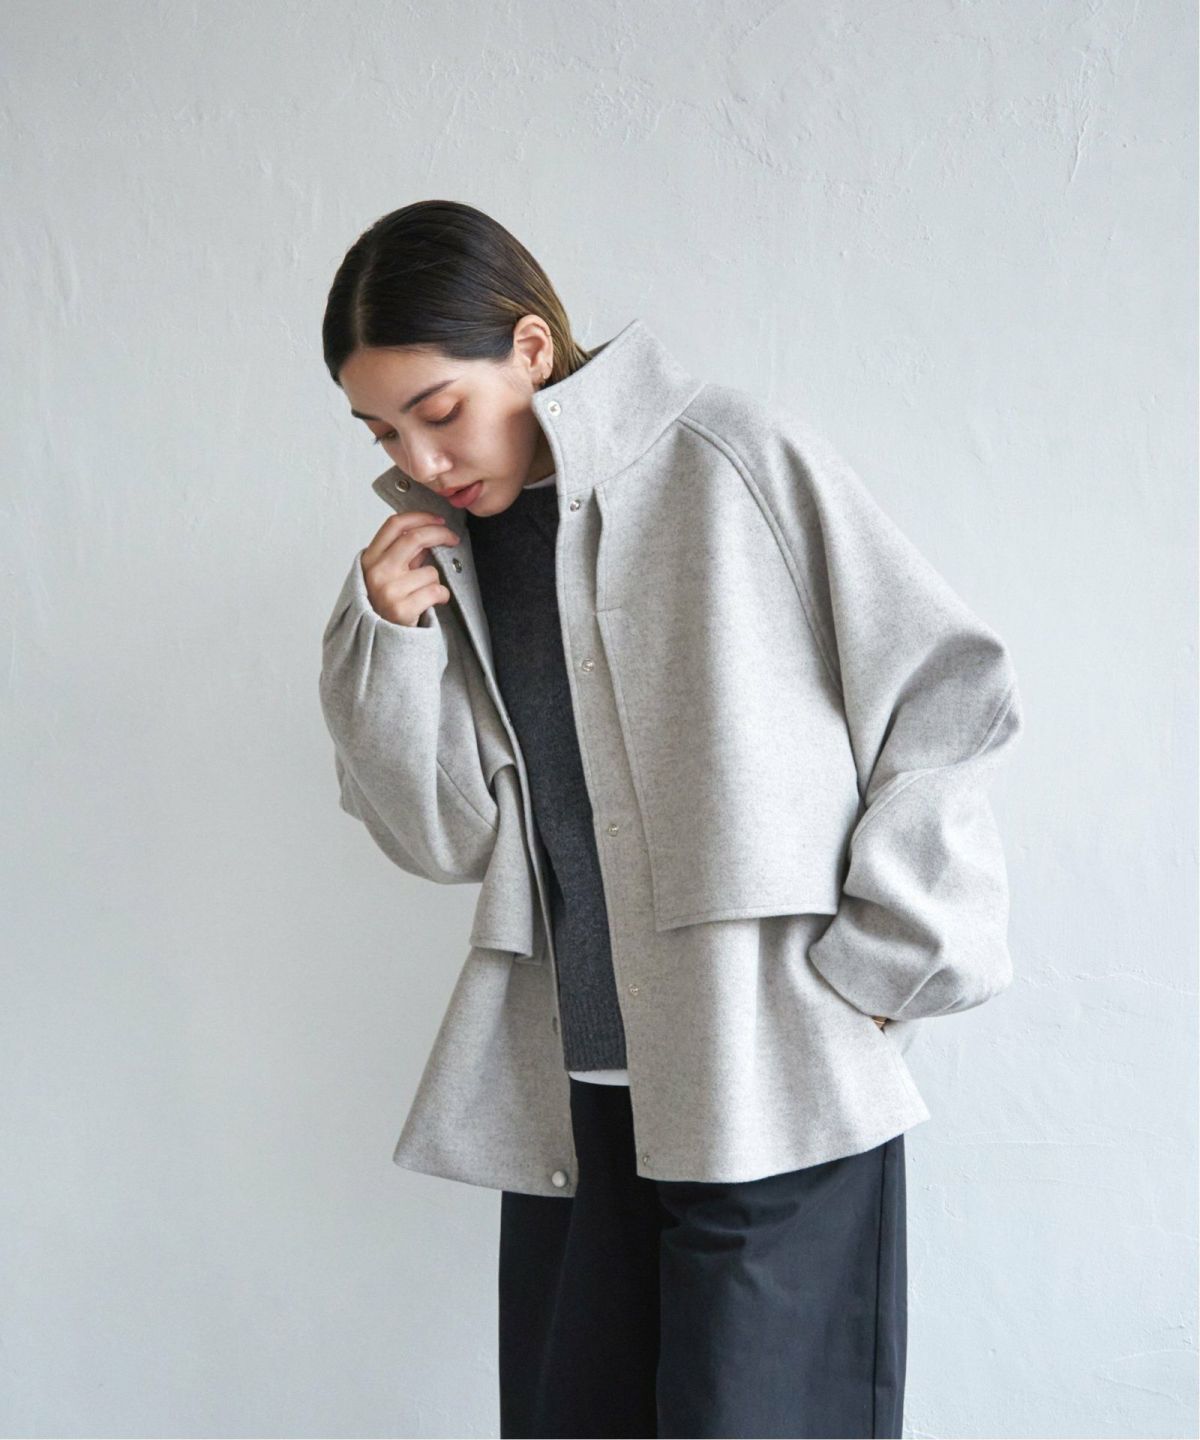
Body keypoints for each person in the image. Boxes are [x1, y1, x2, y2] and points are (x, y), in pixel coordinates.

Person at [318, 199, 1023, 1438]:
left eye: (439, 410)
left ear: (530, 347)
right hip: (571, 1108)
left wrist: (884, 969)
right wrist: (387, 641)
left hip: (769, 1083)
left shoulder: (730, 457)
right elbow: (443, 838)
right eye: (383, 431)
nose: (422, 460)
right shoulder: (445, 561)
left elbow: (947, 693)